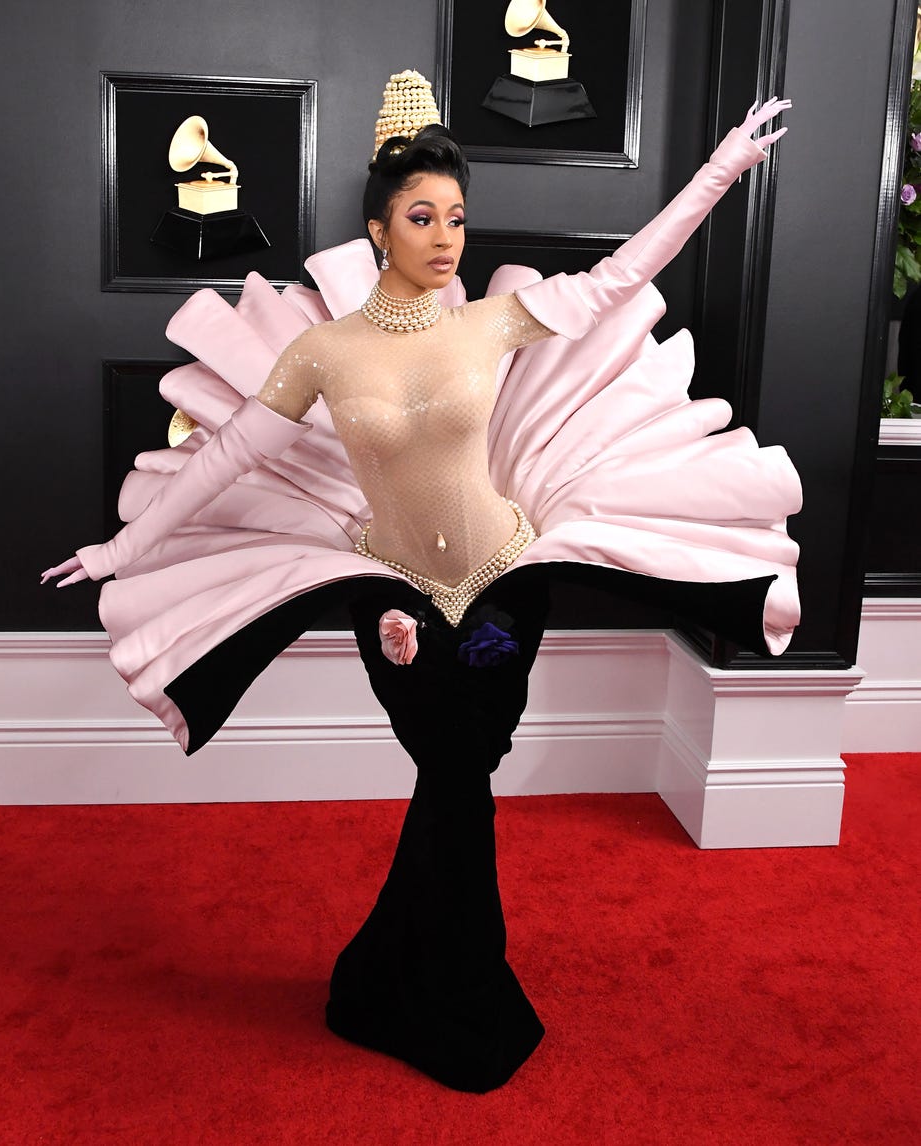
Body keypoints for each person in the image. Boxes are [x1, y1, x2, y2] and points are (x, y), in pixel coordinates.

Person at [42, 74, 799, 1092]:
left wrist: (720, 168)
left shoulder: (490, 323)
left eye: (455, 217)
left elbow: (625, 273)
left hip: (502, 580)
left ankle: (415, 986)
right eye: (421, 216)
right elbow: (225, 457)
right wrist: (122, 553)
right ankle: (427, 987)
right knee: (454, 781)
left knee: (459, 777)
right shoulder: (322, 353)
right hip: (390, 588)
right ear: (376, 228)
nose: (444, 238)